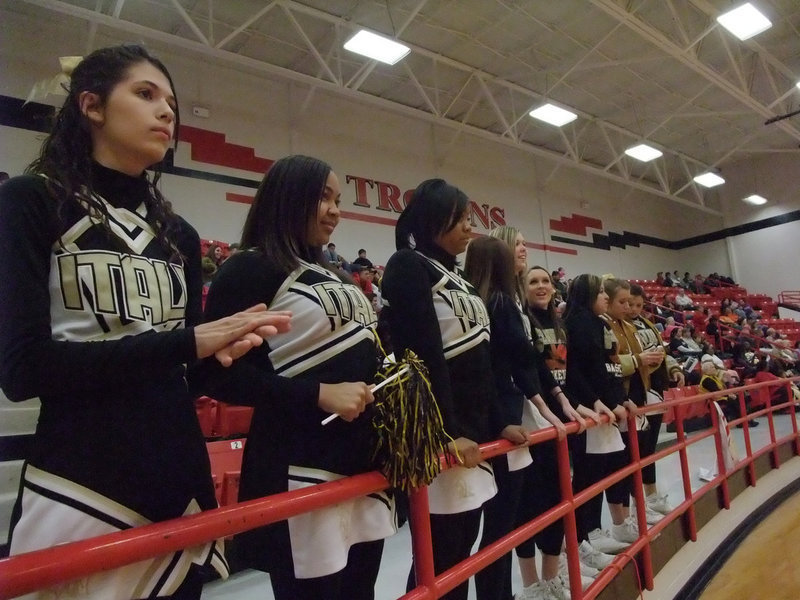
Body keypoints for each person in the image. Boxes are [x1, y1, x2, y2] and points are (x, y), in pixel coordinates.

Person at [0, 44, 289, 599]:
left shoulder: (176, 234)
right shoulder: (30, 202)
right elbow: (23, 369)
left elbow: (186, 374)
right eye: (145, 94)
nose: (166, 114)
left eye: (173, 105)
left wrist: (223, 354)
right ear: (92, 105)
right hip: (79, 481)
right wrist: (187, 343)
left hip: (178, 485)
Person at [201, 155, 397, 600]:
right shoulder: (249, 268)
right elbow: (215, 376)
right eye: (323, 197)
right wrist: (318, 395)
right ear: (289, 197)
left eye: (339, 199)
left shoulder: (336, 272)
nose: (335, 210)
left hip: (363, 467)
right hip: (300, 471)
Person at [381, 178, 497, 600]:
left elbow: (484, 358)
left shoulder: (458, 277)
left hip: (473, 430)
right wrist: (447, 430)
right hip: (441, 436)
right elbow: (421, 354)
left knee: (462, 549)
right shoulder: (408, 265)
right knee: (440, 555)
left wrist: (498, 422)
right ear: (435, 218)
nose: (471, 228)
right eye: (462, 219)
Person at [464, 236, 568, 600]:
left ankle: (524, 587)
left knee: (498, 528)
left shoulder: (498, 303)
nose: (523, 250)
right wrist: (544, 408)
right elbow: (508, 366)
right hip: (504, 423)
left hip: (507, 420)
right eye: (517, 245)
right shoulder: (499, 304)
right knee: (498, 528)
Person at [564, 274, 630, 560]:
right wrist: (597, 401)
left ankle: (592, 531)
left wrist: (619, 399)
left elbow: (609, 368)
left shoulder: (599, 323)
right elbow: (576, 372)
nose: (605, 296)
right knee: (587, 477)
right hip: (589, 412)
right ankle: (584, 536)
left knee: (600, 475)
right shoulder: (576, 324)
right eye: (600, 292)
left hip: (604, 409)